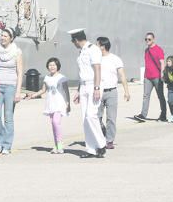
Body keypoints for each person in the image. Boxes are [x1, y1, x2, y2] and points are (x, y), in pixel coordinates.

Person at [69, 28, 107, 158]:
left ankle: (101, 144)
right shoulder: (82, 52)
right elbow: (82, 73)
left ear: (76, 40)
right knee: (85, 119)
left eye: (73, 41)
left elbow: (97, 69)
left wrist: (96, 88)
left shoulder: (93, 49)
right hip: (84, 86)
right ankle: (91, 149)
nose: (73, 44)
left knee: (91, 115)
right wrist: (78, 91)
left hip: (93, 85)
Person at [26, 57, 71, 153]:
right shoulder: (47, 78)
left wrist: (68, 103)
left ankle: (60, 145)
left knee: (56, 122)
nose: (52, 67)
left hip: (60, 103)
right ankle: (56, 145)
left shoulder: (62, 78)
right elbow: (43, 90)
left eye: (54, 65)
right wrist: (33, 95)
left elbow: (66, 91)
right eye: (50, 65)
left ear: (57, 66)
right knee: (53, 125)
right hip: (51, 104)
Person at [0, 28, 23, 155]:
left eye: (5, 36)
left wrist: (18, 91)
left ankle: (7, 145)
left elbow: (20, 72)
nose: (2, 37)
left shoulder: (17, 52)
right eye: (2, 35)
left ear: (11, 38)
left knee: (8, 117)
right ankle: (0, 141)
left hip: (11, 86)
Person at [95, 36, 130, 149]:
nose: (95, 47)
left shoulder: (115, 59)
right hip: (98, 92)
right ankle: (102, 134)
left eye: (97, 45)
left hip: (112, 92)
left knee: (111, 118)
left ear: (103, 46)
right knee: (97, 117)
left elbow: (122, 75)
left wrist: (126, 91)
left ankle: (109, 140)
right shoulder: (95, 59)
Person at [135, 31, 167, 122]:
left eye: (149, 39)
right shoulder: (146, 50)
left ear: (153, 39)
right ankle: (143, 115)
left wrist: (162, 74)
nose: (147, 41)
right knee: (146, 96)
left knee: (160, 96)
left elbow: (162, 62)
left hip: (157, 77)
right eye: (146, 39)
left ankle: (163, 115)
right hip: (147, 77)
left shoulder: (158, 49)